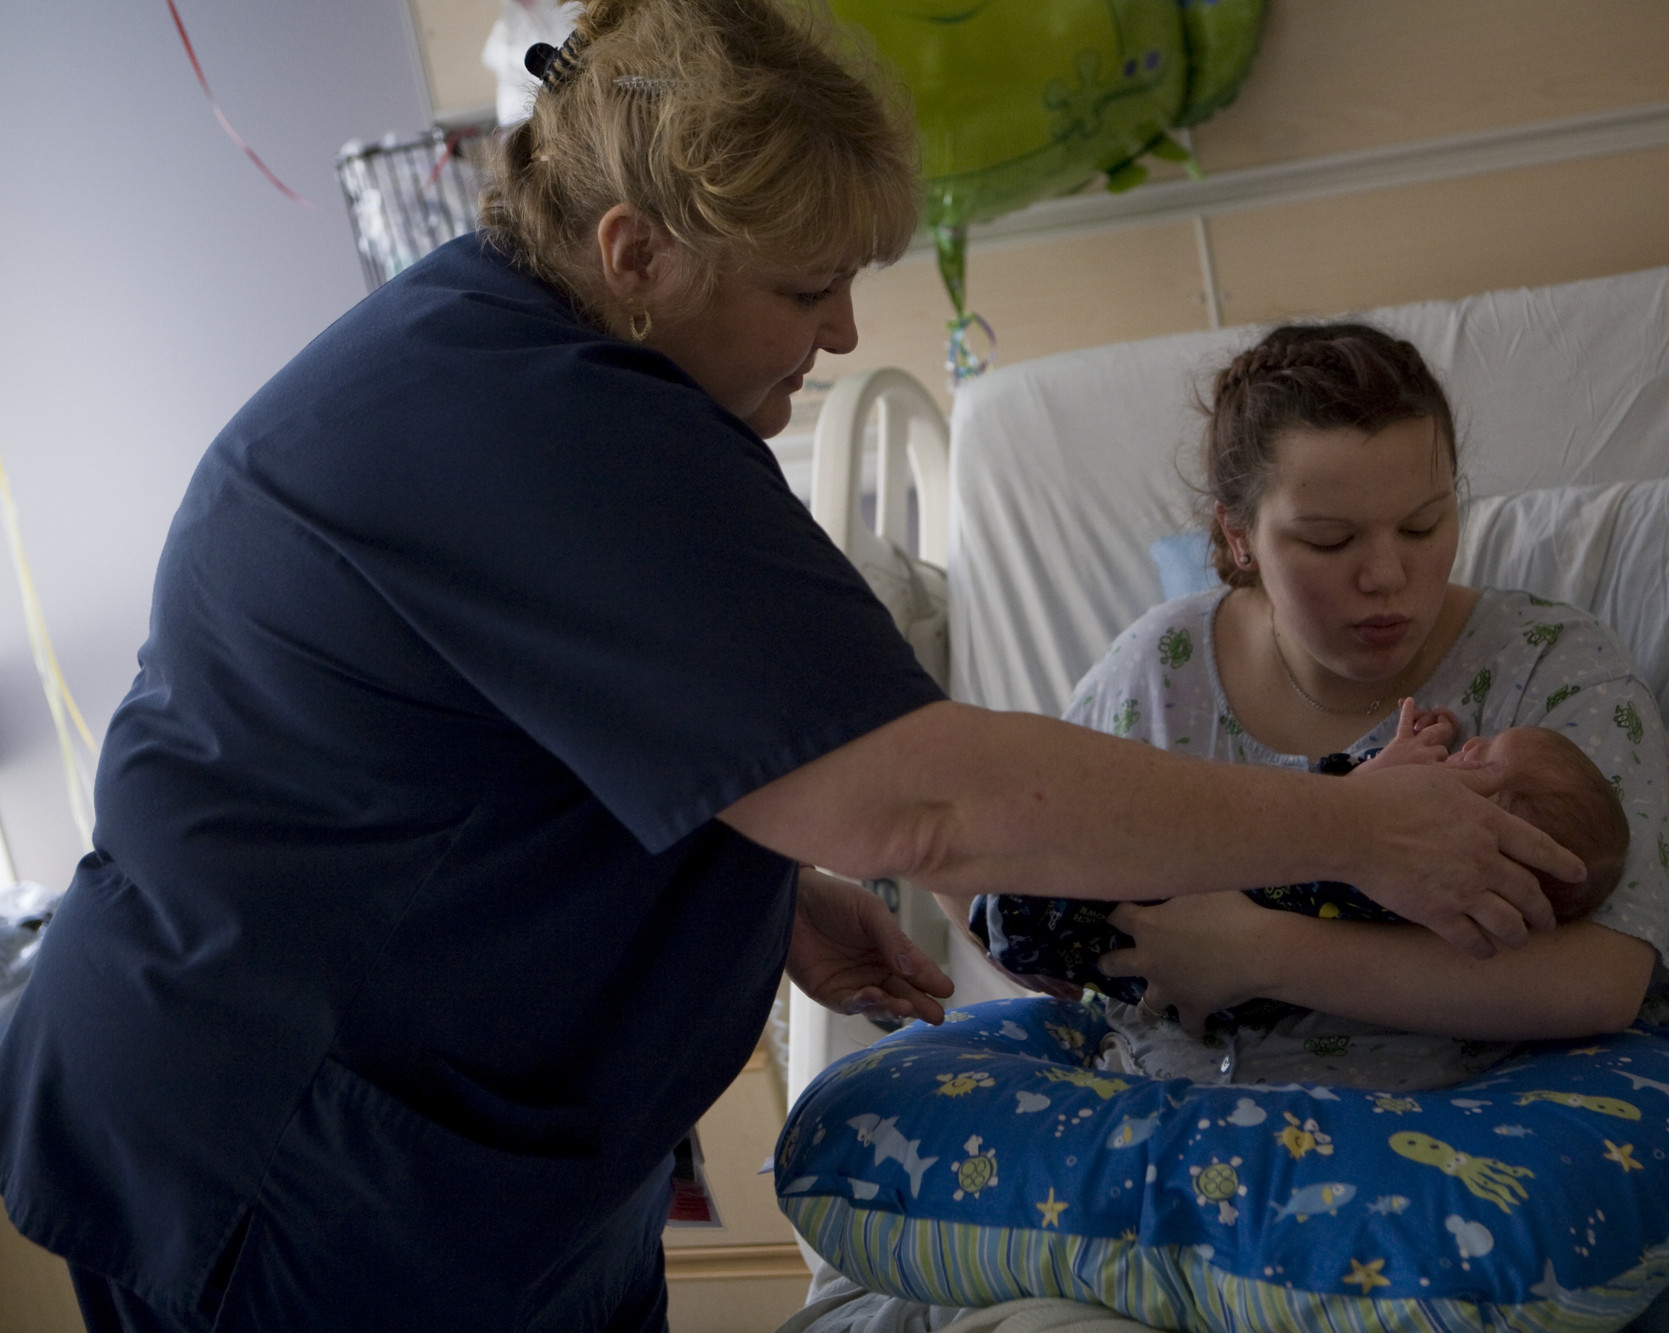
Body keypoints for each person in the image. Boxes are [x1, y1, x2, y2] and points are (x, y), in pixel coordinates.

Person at [0, 8, 1585, 1332]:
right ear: (636, 252)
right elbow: (926, 805)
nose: (838, 334)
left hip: (465, 1151)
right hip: (295, 1160)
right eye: (806, 286)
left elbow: (549, 729)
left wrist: (748, 884)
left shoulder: (539, 368)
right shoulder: (531, 429)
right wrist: (1360, 824)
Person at [1035, 320, 1669, 1092]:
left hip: (1467, 1122)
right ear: (1239, 534)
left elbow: (1604, 977)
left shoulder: (1554, 668)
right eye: (1329, 540)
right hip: (1175, 1111)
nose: (1386, 575)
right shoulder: (1155, 675)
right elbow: (996, 854)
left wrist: (1258, 951)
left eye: (1423, 525)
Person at [971, 705, 1631, 1026]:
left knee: (1086, 899)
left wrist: (1373, 786)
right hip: (1175, 897)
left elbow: (1327, 855)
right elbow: (1331, 818)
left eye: (1484, 766)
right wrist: (1383, 773)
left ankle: (1011, 911)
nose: (1474, 740)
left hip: (1173, 940)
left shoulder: (1423, 895)